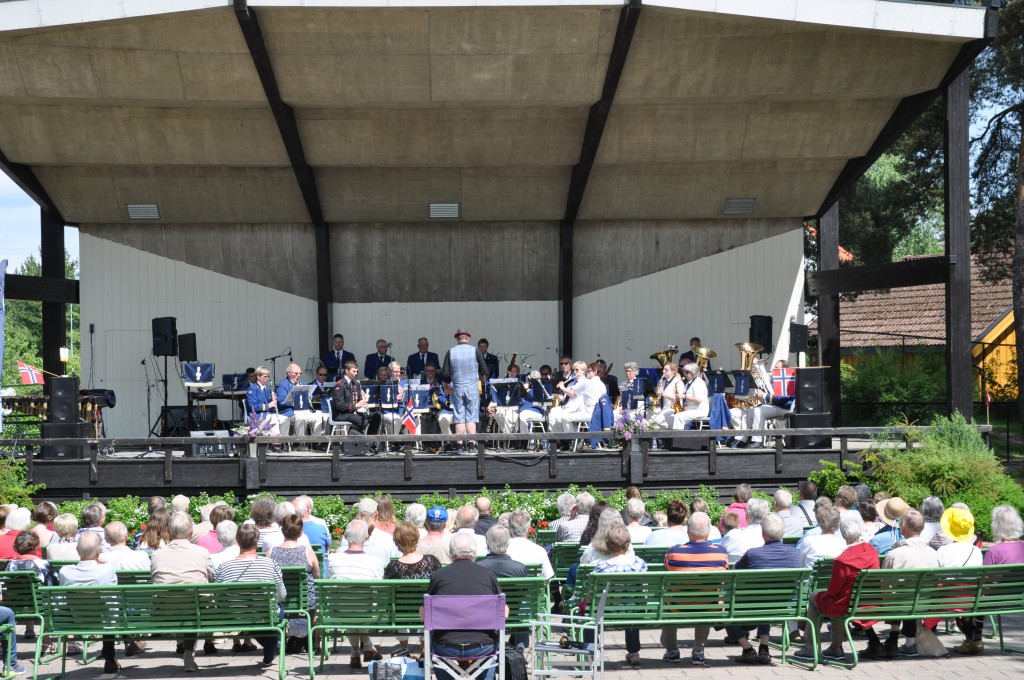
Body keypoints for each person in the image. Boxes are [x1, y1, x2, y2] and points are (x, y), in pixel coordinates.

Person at [420, 532, 508, 680]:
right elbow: (503, 614)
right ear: (474, 552)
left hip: (446, 647)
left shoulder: (438, 575)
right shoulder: (487, 575)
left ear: (451, 552)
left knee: (431, 641)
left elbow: (423, 615)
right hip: (482, 647)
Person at [793, 513, 879, 662]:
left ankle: (810, 647)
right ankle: (835, 647)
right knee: (840, 598)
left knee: (816, 597)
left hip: (846, 605)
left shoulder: (843, 560)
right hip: (866, 602)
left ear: (844, 534)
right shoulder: (871, 551)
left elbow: (833, 591)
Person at [859, 509, 938, 659]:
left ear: (904, 527)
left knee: (897, 594)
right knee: (905, 593)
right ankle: (895, 639)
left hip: (900, 604)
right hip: (927, 603)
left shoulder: (895, 554)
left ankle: (892, 638)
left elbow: (883, 585)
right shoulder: (934, 553)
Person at [727, 513, 800, 665]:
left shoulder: (753, 554)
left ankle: (747, 649)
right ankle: (764, 647)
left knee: (727, 602)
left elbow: (735, 571)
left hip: (754, 606)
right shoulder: (795, 554)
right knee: (769, 598)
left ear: (763, 533)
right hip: (782, 606)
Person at [953, 505, 1024, 655]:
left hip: (993, 599)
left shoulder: (994, 551)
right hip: (1019, 597)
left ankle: (973, 640)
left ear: (997, 527)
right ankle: (974, 640)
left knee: (962, 595)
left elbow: (983, 581)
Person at [661, 512, 729, 667]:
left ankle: (672, 650)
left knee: (667, 600)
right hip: (709, 606)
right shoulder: (720, 552)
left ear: (688, 530)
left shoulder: (674, 552)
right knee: (707, 599)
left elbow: (666, 574)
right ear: (708, 531)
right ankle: (698, 651)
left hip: (678, 607)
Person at [56, 533, 131, 674]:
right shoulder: (107, 569)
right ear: (98, 550)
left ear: (77, 551)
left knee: (108, 610)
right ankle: (111, 657)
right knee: (110, 610)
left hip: (76, 622)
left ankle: (113, 655)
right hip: (105, 622)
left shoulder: (65, 572)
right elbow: (113, 597)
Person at [215, 524, 286, 668]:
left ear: (237, 541)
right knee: (275, 610)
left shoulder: (224, 567)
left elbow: (218, 598)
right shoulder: (270, 564)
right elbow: (281, 595)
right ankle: (271, 646)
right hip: (265, 614)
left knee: (254, 613)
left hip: (235, 615)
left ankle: (270, 645)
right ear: (257, 541)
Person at [150, 512, 214, 671]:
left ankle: (184, 646)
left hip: (165, 612)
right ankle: (189, 651)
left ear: (169, 532)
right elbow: (211, 579)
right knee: (194, 603)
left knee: (182, 602)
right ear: (191, 532)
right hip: (196, 610)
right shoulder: (201, 552)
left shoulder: (157, 555)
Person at [327, 519, 384, 668]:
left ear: (345, 536)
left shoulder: (333, 559)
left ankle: (355, 653)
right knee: (361, 607)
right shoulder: (375, 562)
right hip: (368, 614)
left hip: (339, 613)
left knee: (349, 607)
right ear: (366, 537)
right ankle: (368, 648)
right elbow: (380, 590)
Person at [385, 521, 442, 655]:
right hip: (426, 612)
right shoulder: (431, 561)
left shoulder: (393, 567)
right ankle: (424, 650)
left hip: (401, 615)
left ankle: (404, 650)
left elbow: (386, 592)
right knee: (426, 605)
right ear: (416, 538)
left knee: (397, 607)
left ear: (397, 541)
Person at [594, 525, 648, 667]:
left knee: (587, 610)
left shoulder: (602, 567)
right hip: (635, 611)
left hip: (609, 612)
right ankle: (634, 652)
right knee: (632, 605)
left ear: (607, 545)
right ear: (628, 544)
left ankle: (593, 651)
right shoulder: (639, 564)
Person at [268, 515, 320, 653]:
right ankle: (315, 643)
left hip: (280, 600)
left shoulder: (271, 552)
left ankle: (282, 640)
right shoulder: (307, 552)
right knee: (315, 605)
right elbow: (317, 576)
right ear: (301, 532)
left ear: (282, 531)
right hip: (304, 602)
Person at [441, 329, 489, 455]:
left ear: (457, 339)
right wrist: (480, 378)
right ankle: (472, 446)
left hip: (458, 388)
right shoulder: (475, 350)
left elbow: (445, 373)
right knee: (472, 416)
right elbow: (485, 370)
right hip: (472, 388)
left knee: (459, 416)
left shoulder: (450, 352)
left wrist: (450, 380)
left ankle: (459, 446)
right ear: (468, 339)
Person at [548, 361, 600, 437]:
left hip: (575, 408)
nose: (575, 372)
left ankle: (570, 439)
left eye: (577, 370)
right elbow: (567, 398)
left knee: (558, 417)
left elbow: (573, 394)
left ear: (583, 371)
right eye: (574, 370)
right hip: (567, 407)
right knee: (552, 413)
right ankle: (557, 439)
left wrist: (562, 387)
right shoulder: (572, 383)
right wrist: (557, 396)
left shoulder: (584, 382)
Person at [276, 362, 322, 445]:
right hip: (290, 411)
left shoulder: (303, 383)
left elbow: (308, 398)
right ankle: (301, 442)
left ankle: (316, 442)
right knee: (301, 417)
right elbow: (281, 401)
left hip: (304, 410)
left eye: (300, 373)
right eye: (296, 373)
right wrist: (295, 402)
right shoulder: (282, 385)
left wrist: (310, 398)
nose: (298, 375)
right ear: (289, 373)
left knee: (319, 415)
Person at [506, 510, 554, 580]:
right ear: (529, 528)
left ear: (509, 528)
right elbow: (547, 578)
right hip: (533, 590)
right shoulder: (539, 551)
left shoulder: (501, 549)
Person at [331, 360, 373, 435]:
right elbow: (339, 405)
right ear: (347, 371)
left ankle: (371, 442)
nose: (356, 374)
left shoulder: (355, 383)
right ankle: (351, 438)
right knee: (362, 421)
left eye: (357, 372)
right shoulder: (340, 385)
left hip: (353, 412)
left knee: (376, 416)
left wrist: (363, 397)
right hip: (342, 414)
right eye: (354, 371)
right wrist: (356, 405)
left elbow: (357, 399)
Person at [798, 504, 845, 568]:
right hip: (834, 577)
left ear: (820, 522)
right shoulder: (843, 543)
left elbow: (800, 565)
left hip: (810, 577)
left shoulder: (808, 541)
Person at [246, 366, 282, 437]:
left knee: (283, 419)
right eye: (265, 377)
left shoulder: (267, 389)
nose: (267, 379)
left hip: (268, 414)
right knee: (274, 419)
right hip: (258, 416)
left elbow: (270, 404)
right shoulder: (252, 389)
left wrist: (274, 400)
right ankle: (276, 442)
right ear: (258, 376)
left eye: (268, 377)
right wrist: (268, 405)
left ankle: (282, 441)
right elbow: (253, 406)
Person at [671, 363, 709, 430]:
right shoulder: (688, 383)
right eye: (684, 372)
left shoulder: (698, 383)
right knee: (672, 416)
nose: (685, 374)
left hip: (699, 410)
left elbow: (698, 400)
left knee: (678, 417)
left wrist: (684, 396)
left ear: (693, 372)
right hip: (690, 410)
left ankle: (678, 438)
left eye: (687, 372)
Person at [649, 362, 682, 432]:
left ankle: (673, 430)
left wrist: (664, 393)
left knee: (658, 420)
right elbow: (661, 397)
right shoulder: (663, 382)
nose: (663, 371)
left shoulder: (678, 382)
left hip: (673, 408)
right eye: (663, 369)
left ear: (672, 371)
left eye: (666, 370)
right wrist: (657, 396)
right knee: (649, 420)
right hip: (664, 408)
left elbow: (677, 399)